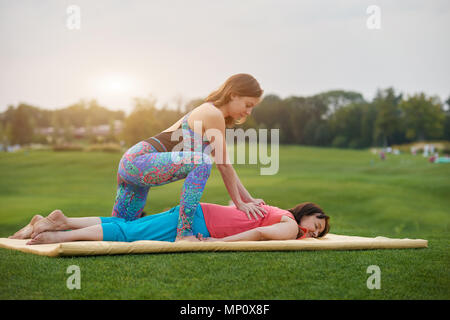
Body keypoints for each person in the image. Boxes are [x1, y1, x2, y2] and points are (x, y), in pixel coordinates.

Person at [111, 73, 267, 241]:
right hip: (139, 160)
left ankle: (77, 228)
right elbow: (223, 165)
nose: (249, 112)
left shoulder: (210, 112)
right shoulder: (213, 114)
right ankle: (184, 233)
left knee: (122, 225)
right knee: (202, 162)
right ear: (233, 94)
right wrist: (239, 203)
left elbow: (227, 167)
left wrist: (247, 199)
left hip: (133, 162)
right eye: (248, 104)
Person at [9, 201, 330, 244]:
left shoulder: (276, 211)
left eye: (320, 233)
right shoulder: (288, 226)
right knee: (130, 232)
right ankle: (58, 236)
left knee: (128, 224)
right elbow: (259, 233)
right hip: (201, 222)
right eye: (318, 222)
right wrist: (217, 243)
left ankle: (61, 221)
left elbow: (240, 210)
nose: (317, 230)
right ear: (306, 212)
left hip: (204, 215)